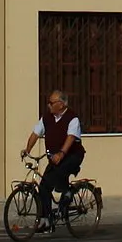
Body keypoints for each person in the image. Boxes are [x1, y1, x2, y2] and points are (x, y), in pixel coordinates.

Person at [21, 90, 85, 228]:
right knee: (44, 186)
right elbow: (35, 133)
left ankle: (67, 192)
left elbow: (71, 137)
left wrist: (61, 153)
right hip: (54, 157)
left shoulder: (72, 118)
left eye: (51, 103)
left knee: (59, 172)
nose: (48, 106)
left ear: (61, 104)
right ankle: (46, 218)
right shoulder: (47, 118)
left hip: (72, 156)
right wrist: (27, 150)